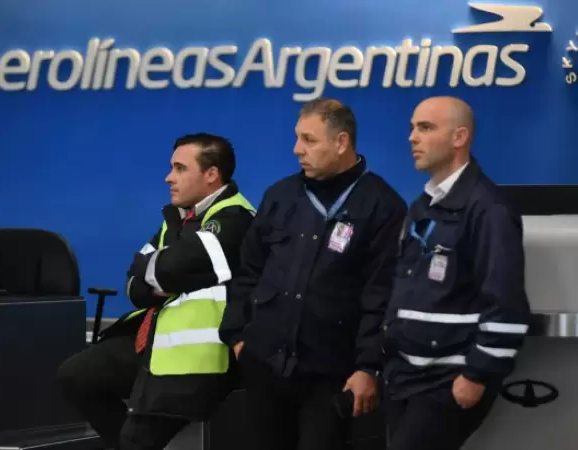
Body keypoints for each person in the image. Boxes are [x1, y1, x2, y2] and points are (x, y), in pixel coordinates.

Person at [219, 98, 407, 450]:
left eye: (309, 140)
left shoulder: (382, 205)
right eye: (297, 138)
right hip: (264, 365)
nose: (296, 150)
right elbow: (248, 271)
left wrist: (369, 366)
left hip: (331, 373)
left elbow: (383, 293)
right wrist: (237, 337)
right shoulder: (281, 195)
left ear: (341, 142)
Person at [56, 133, 255, 450]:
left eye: (179, 168)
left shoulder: (236, 218)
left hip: (199, 360)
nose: (168, 177)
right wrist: (159, 274)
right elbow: (135, 282)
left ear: (211, 174)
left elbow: (167, 269)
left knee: (136, 440)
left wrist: (160, 272)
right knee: (76, 376)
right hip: (153, 345)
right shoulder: (176, 218)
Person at [382, 96, 531, 450]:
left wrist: (476, 375)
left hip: (446, 380)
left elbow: (506, 305)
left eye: (426, 127)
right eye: (412, 128)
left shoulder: (487, 209)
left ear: (459, 137)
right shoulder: (423, 206)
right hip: (404, 375)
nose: (412, 138)